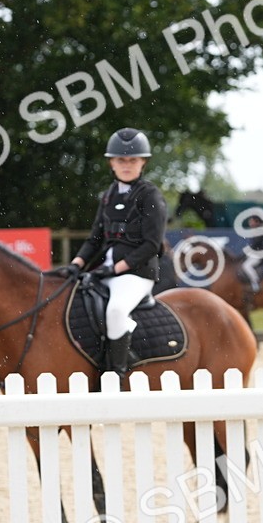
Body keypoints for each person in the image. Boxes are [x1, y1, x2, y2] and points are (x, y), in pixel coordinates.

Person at [57, 129, 167, 375]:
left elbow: (152, 245)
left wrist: (116, 268)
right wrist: (76, 264)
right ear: (112, 162)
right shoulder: (108, 195)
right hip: (105, 273)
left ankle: (117, 373)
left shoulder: (150, 195)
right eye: (121, 160)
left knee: (116, 310)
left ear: (143, 162)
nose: (126, 165)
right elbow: (95, 238)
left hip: (136, 275)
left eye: (132, 160)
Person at [239, 212, 263, 296]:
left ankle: (256, 284)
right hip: (257, 253)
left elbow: (256, 244)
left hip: (260, 255)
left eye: (252, 221)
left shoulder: (260, 230)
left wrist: (247, 251)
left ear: (257, 222)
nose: (250, 223)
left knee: (246, 266)